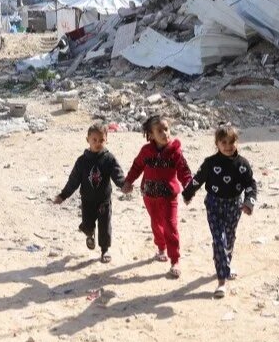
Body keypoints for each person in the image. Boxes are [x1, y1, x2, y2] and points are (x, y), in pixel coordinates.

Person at [182, 124, 256, 298]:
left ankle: (225, 262)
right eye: (224, 142)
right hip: (214, 205)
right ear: (217, 143)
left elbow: (250, 184)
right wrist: (187, 193)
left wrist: (249, 202)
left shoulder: (242, 164)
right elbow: (198, 179)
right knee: (218, 240)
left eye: (232, 142)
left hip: (234, 206)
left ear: (237, 142)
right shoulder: (210, 163)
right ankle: (221, 280)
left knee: (229, 239)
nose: (228, 146)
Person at [122, 115, 192, 279]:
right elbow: (137, 166)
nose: (164, 133)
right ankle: (161, 247)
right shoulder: (146, 151)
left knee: (170, 225)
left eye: (166, 129)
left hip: (169, 196)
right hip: (149, 194)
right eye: (159, 131)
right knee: (156, 223)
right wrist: (128, 181)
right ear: (151, 135)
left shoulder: (175, 152)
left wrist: (189, 189)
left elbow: (185, 172)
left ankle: (175, 260)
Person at [54, 122, 125, 263]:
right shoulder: (81, 161)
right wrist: (63, 195)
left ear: (106, 140)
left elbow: (117, 174)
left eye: (101, 140)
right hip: (87, 201)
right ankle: (89, 234)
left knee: (105, 226)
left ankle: (105, 250)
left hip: (104, 200)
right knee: (87, 224)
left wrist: (123, 185)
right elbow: (73, 180)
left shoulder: (109, 159)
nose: (98, 143)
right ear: (87, 140)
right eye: (94, 140)